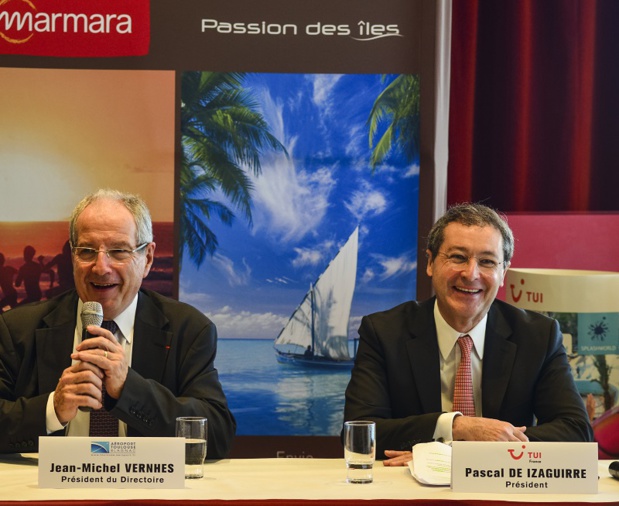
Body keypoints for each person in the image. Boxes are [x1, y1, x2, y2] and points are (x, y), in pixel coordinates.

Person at [343, 202, 593, 466]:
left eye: (487, 262)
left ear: (503, 272)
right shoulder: (384, 332)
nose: (471, 274)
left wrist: (458, 454)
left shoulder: (538, 335)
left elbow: (576, 433)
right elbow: (360, 435)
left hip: (501, 491)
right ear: (430, 263)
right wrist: (457, 427)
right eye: (458, 257)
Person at [0, 188, 236, 458]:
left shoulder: (189, 330)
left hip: (148, 495)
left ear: (147, 259)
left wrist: (129, 389)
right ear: (72, 257)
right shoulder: (17, 329)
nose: (101, 267)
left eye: (119, 251)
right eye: (87, 251)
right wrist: (52, 409)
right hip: (52, 495)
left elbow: (216, 434)